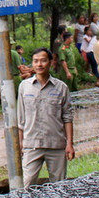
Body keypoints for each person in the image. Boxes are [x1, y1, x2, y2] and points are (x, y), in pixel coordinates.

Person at [17, 48, 75, 188]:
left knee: (59, 187)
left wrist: (69, 144)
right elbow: (20, 119)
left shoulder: (61, 88)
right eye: (36, 61)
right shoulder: (24, 87)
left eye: (43, 61)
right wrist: (19, 144)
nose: (39, 65)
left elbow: (67, 117)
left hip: (56, 145)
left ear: (50, 62)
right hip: (32, 145)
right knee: (27, 185)